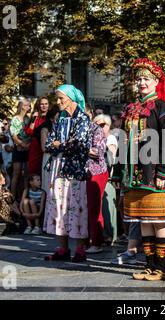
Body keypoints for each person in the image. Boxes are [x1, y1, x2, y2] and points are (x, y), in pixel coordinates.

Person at [113, 57, 165, 281]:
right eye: (139, 78)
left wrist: (163, 173)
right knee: (144, 220)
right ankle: (150, 267)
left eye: (146, 79)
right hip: (136, 175)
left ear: (156, 82)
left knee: (159, 220)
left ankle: (162, 269)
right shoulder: (132, 108)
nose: (142, 82)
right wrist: (118, 172)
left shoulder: (163, 108)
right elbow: (123, 141)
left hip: (156, 174)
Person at [43, 84, 93, 263]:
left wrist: (60, 145)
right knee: (58, 206)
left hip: (76, 169)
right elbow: (48, 144)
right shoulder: (60, 119)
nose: (58, 102)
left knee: (77, 206)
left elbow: (79, 144)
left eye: (61, 98)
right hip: (58, 167)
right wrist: (60, 144)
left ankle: (80, 249)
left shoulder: (83, 119)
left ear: (71, 98)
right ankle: (62, 248)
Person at [84, 105, 109, 254]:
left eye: (84, 113)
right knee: (84, 207)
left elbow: (98, 152)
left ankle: (96, 241)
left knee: (94, 207)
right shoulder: (76, 130)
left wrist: (79, 148)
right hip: (82, 173)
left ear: (90, 113)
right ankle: (85, 239)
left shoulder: (96, 129)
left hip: (96, 172)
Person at [94, 114, 119, 245]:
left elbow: (111, 158)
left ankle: (109, 235)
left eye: (103, 125)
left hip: (107, 178)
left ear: (109, 126)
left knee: (107, 208)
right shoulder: (93, 138)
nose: (99, 127)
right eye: (97, 124)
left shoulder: (111, 139)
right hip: (94, 177)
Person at [10, 99, 31, 201]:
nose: (29, 107)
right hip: (18, 148)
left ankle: (25, 196)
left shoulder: (28, 119)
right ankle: (12, 196)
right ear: (22, 106)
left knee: (27, 174)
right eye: (27, 105)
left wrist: (28, 145)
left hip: (27, 148)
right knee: (16, 173)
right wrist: (22, 144)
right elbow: (13, 135)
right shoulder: (15, 119)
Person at [25, 97, 49, 175]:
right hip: (35, 147)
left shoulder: (50, 117)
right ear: (39, 105)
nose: (44, 106)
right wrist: (34, 119)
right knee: (34, 170)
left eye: (46, 104)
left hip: (46, 145)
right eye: (42, 104)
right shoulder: (35, 117)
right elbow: (29, 132)